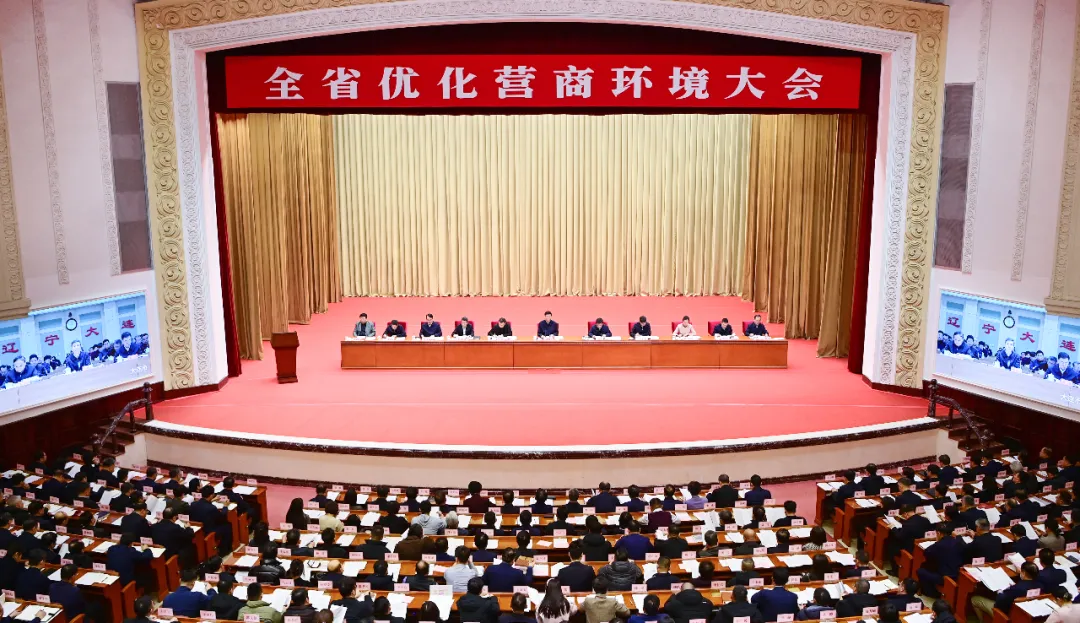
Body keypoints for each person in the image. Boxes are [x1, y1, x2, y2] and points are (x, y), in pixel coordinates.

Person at [971, 561, 1042, 621]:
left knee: (974, 599)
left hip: (1005, 613)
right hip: (1024, 613)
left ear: (1023, 573)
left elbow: (1000, 601)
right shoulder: (1039, 585)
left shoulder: (1017, 589)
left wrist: (999, 592)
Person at [917, 523, 964, 597]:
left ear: (938, 533)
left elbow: (927, 552)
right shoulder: (958, 542)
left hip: (944, 576)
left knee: (920, 571)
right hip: (957, 573)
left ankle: (931, 593)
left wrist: (937, 542)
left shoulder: (939, 545)